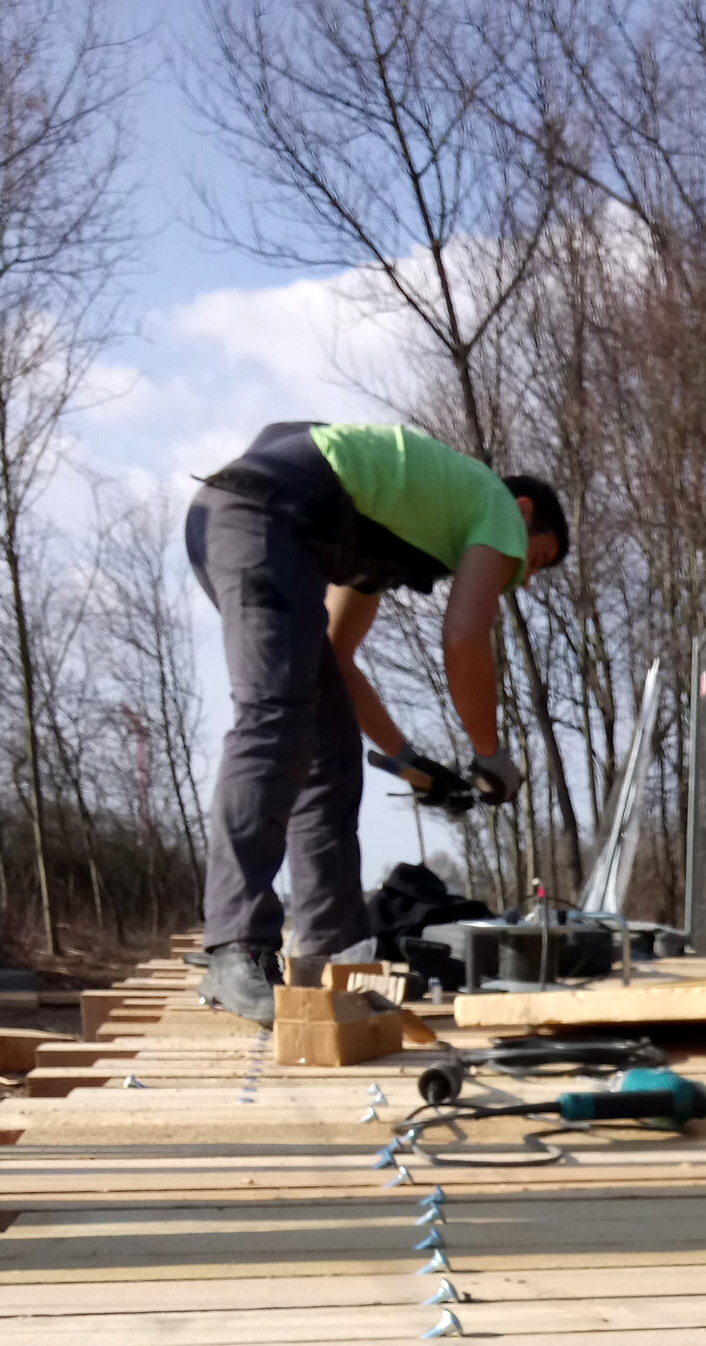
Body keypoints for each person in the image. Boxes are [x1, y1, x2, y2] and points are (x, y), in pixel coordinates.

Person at [185, 420, 570, 1025]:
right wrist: (490, 757)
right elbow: (465, 638)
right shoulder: (496, 505)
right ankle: (236, 946)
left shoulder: (388, 524)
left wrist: (413, 763)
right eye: (534, 557)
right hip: (258, 518)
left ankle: (330, 959)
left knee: (331, 755)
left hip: (249, 522)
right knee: (275, 719)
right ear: (524, 513)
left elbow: (338, 657)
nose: (520, 575)